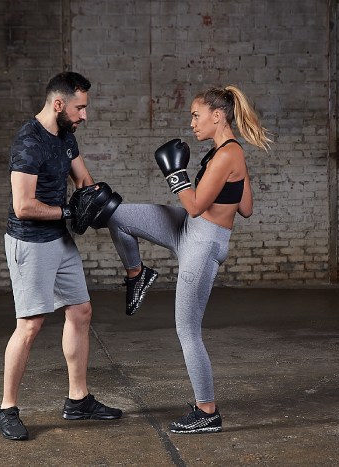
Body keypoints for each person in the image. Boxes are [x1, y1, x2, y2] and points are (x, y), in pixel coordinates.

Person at [107, 85, 271, 434]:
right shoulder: (222, 154)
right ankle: (137, 274)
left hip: (204, 241)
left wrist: (174, 174)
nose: (192, 123)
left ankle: (207, 410)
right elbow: (246, 208)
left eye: (196, 116)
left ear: (217, 116)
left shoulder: (228, 155)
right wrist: (232, 182)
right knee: (117, 215)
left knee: (187, 329)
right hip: (188, 228)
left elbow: (195, 205)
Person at [0, 71, 122, 441]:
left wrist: (97, 198)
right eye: (80, 108)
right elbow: (23, 206)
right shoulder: (29, 142)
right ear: (58, 104)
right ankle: (7, 408)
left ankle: (78, 400)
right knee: (31, 324)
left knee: (80, 311)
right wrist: (69, 212)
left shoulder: (66, 137)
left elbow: (83, 181)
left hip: (58, 238)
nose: (85, 115)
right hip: (30, 241)